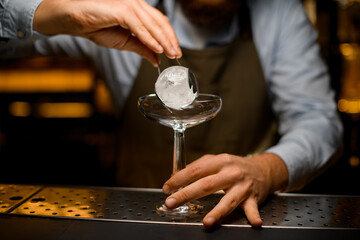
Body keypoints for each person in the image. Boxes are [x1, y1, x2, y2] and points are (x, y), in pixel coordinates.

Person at [0, 0, 343, 228]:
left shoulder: (279, 12)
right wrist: (61, 14)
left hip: (243, 222)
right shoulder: (122, 7)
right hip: (136, 223)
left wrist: (268, 169)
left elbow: (319, 121)